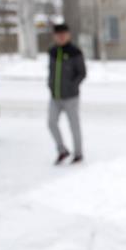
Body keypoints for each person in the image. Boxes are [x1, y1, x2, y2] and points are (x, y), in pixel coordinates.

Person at [47, 23, 87, 165]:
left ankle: (78, 153)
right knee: (51, 123)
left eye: (63, 34)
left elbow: (82, 73)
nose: (61, 37)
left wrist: (72, 85)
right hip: (55, 97)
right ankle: (62, 150)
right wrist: (50, 85)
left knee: (74, 125)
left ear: (68, 35)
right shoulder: (52, 51)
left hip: (71, 97)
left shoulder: (75, 52)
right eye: (58, 35)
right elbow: (50, 72)